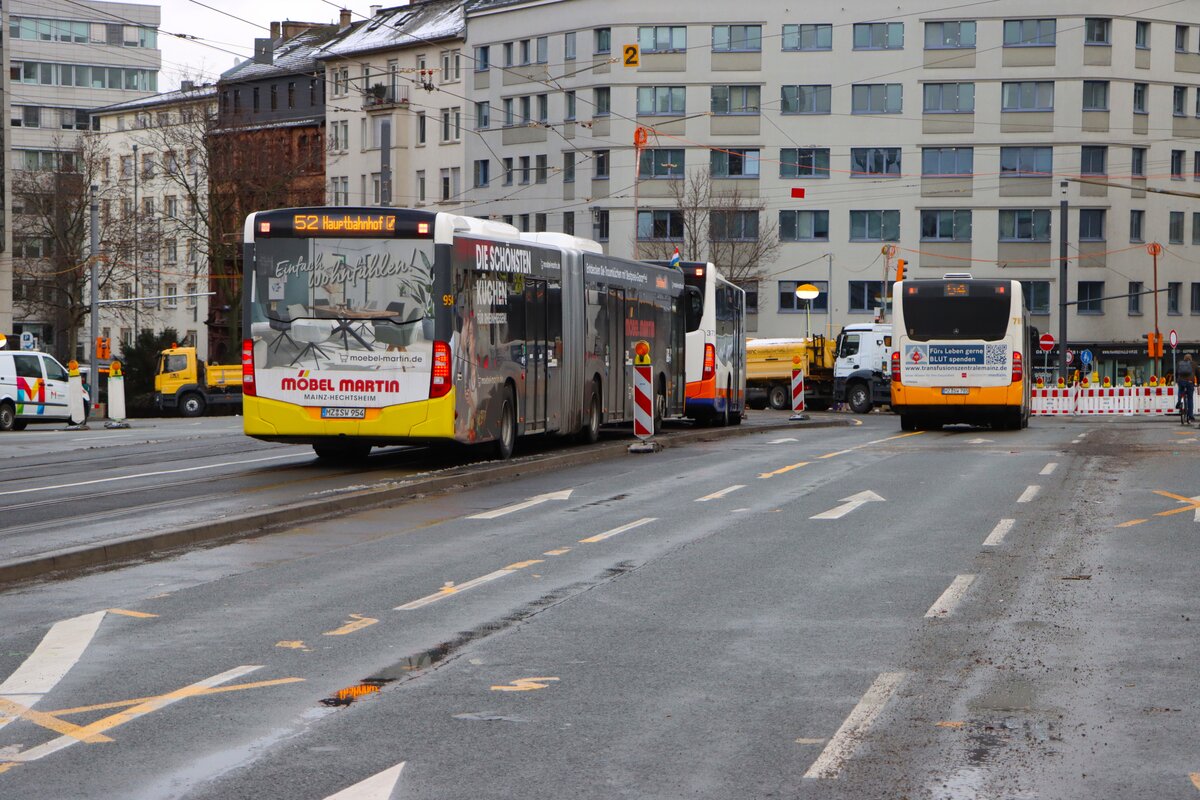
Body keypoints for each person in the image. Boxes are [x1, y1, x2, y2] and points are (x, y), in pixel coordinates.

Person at [1178, 353, 1196, 423]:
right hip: (1190, 383)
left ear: (1184, 358)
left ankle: (1179, 402)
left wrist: (1178, 380)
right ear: (1191, 358)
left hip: (1181, 381)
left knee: (1180, 391)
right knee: (1190, 398)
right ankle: (1190, 415)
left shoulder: (1180, 363)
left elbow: (1177, 372)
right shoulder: (1194, 364)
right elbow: (1198, 374)